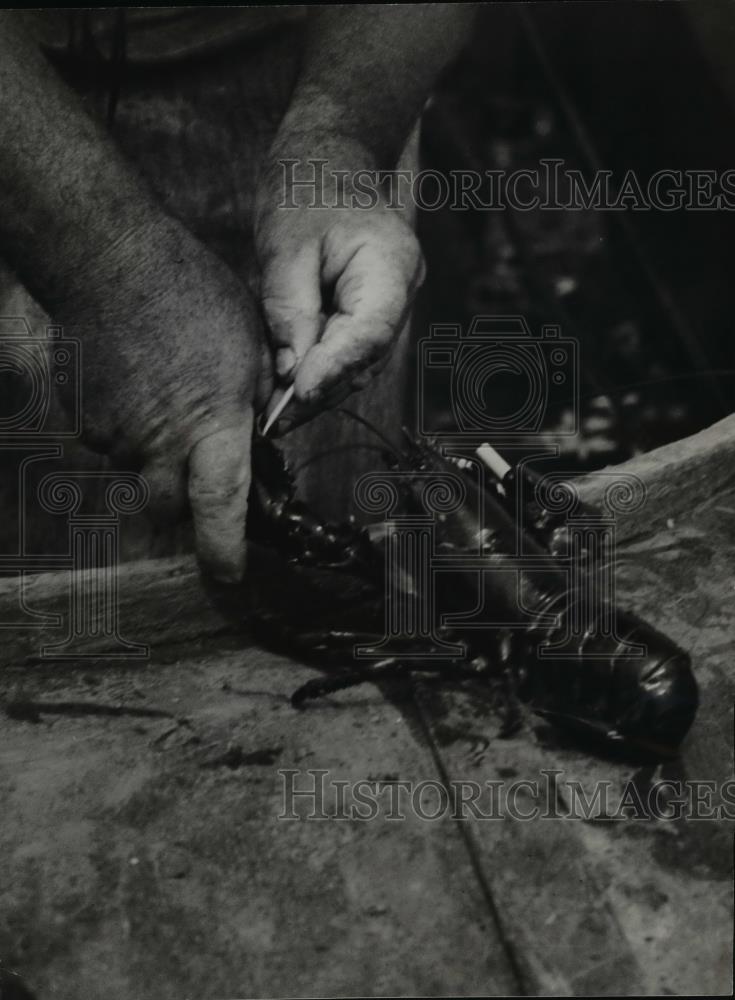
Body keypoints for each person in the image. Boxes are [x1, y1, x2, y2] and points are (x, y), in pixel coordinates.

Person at [0, 6, 473, 581]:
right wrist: (104, 261)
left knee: (338, 571)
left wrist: (342, 144)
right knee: (59, 600)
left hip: (344, 56)